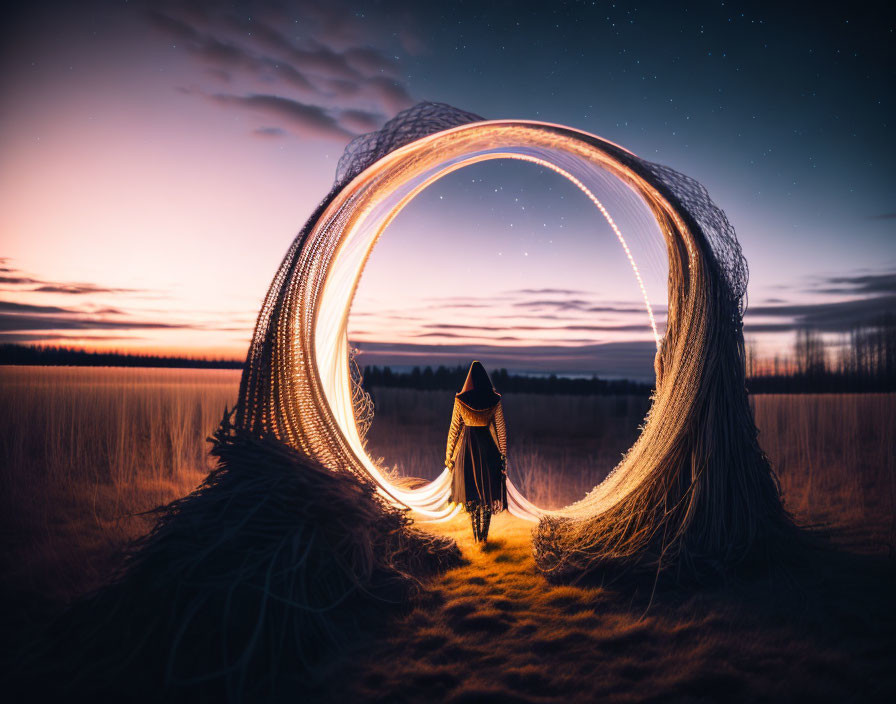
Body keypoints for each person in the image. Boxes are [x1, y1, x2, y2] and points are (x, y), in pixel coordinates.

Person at [445, 361, 508, 543]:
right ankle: (484, 538)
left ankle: (476, 538)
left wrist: (449, 455)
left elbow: (454, 429)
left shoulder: (460, 400)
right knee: (487, 495)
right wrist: (503, 455)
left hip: (467, 449)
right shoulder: (494, 400)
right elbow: (501, 429)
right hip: (488, 449)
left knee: (471, 495)